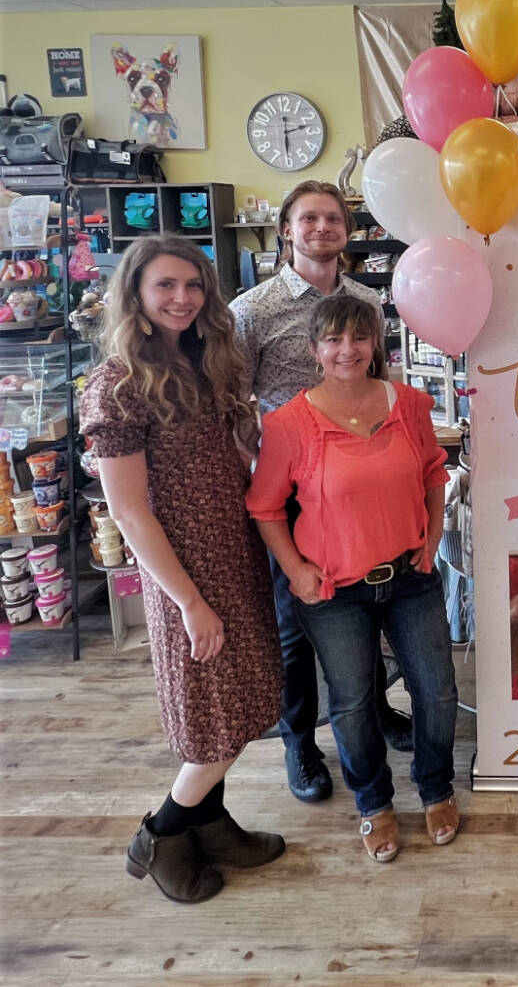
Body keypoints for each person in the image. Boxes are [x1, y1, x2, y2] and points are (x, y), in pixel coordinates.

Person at [81, 236, 284, 904]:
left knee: (235, 700)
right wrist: (190, 602)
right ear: (135, 293)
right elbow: (130, 513)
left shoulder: (205, 361)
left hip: (236, 552)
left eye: (193, 286)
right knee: (216, 713)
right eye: (166, 285)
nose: (182, 298)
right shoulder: (118, 385)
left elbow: (235, 455)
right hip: (185, 569)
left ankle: (211, 823)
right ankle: (163, 834)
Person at [246, 295, 458, 862]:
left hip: (411, 576)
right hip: (334, 591)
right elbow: (265, 507)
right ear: (315, 350)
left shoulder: (410, 404)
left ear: (376, 344)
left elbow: (434, 472)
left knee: (436, 693)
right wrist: (296, 570)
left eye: (358, 338)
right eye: (334, 340)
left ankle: (436, 788)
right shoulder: (288, 423)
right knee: (353, 703)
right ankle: (373, 803)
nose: (347, 349)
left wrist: (433, 537)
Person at [231, 179, 411, 807]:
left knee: (367, 609)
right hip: (295, 490)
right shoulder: (253, 309)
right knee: (295, 624)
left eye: (333, 219)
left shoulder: (367, 298)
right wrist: (257, 461)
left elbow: (380, 379)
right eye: (309, 219)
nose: (322, 228)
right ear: (287, 229)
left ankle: (370, 712)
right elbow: (234, 397)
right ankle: (300, 742)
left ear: (347, 230)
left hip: (359, 481)